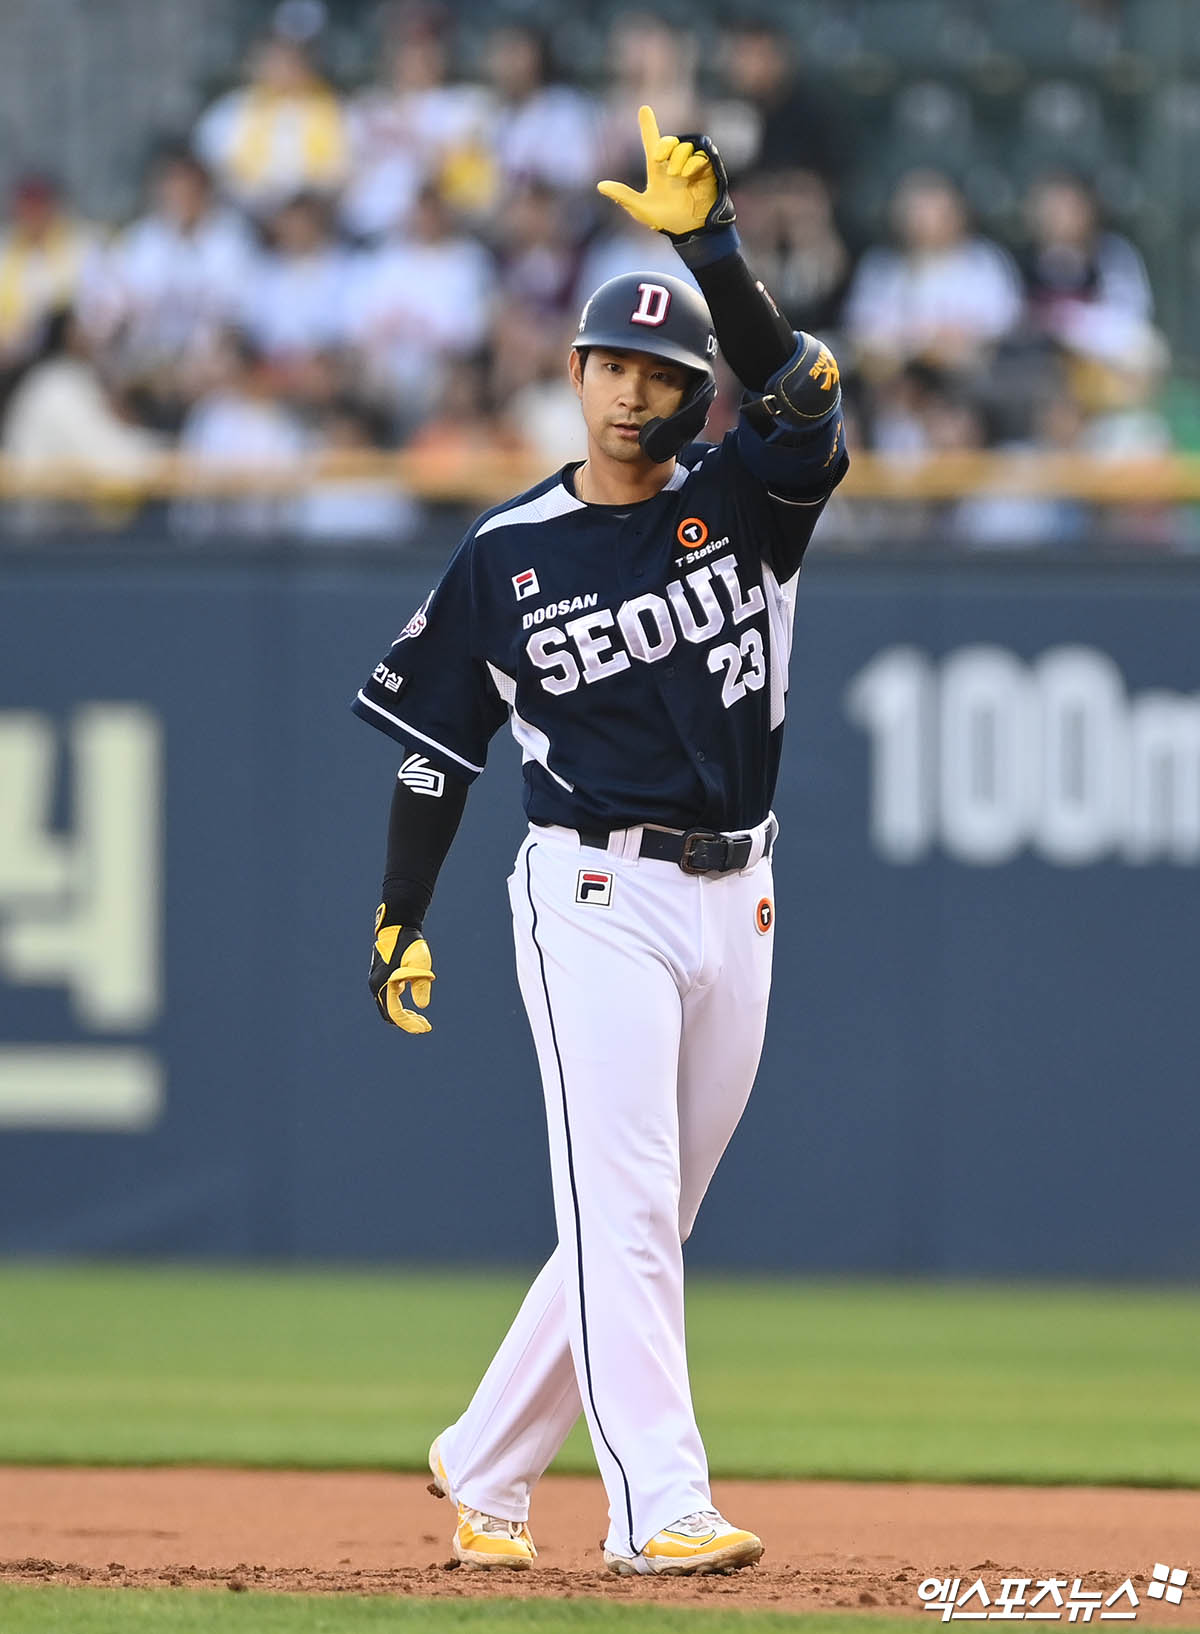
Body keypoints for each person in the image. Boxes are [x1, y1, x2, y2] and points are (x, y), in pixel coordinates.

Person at [352, 106, 848, 1576]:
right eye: (615, 363)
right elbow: (442, 748)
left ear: (703, 399)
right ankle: (656, 1507)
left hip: (741, 893)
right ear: (573, 373)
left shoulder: (751, 502)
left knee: (643, 1217)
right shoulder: (507, 553)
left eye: (667, 373)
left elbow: (809, 391)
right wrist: (398, 913)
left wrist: (716, 256)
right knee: (626, 1207)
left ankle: (487, 1459)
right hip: (590, 893)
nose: (636, 388)